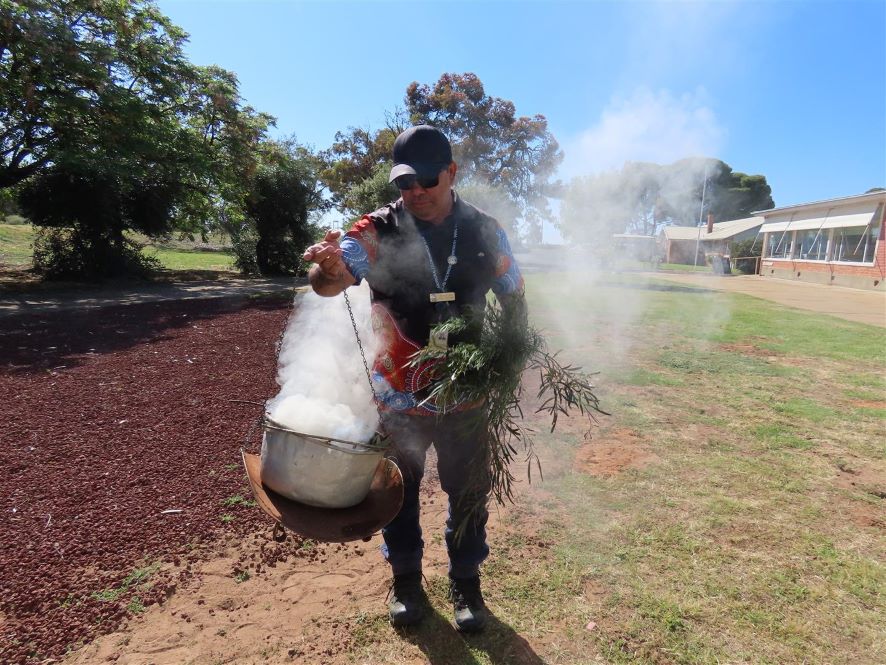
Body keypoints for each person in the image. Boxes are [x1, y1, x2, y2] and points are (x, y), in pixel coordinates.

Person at [302, 125, 526, 632]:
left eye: (427, 179)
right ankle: (405, 582)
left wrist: (509, 360)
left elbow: (513, 293)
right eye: (406, 182)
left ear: (452, 172)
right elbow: (329, 283)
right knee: (396, 494)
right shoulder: (373, 231)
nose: (416, 192)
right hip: (397, 393)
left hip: (466, 395)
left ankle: (467, 584)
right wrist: (329, 268)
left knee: (469, 493)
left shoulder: (485, 231)